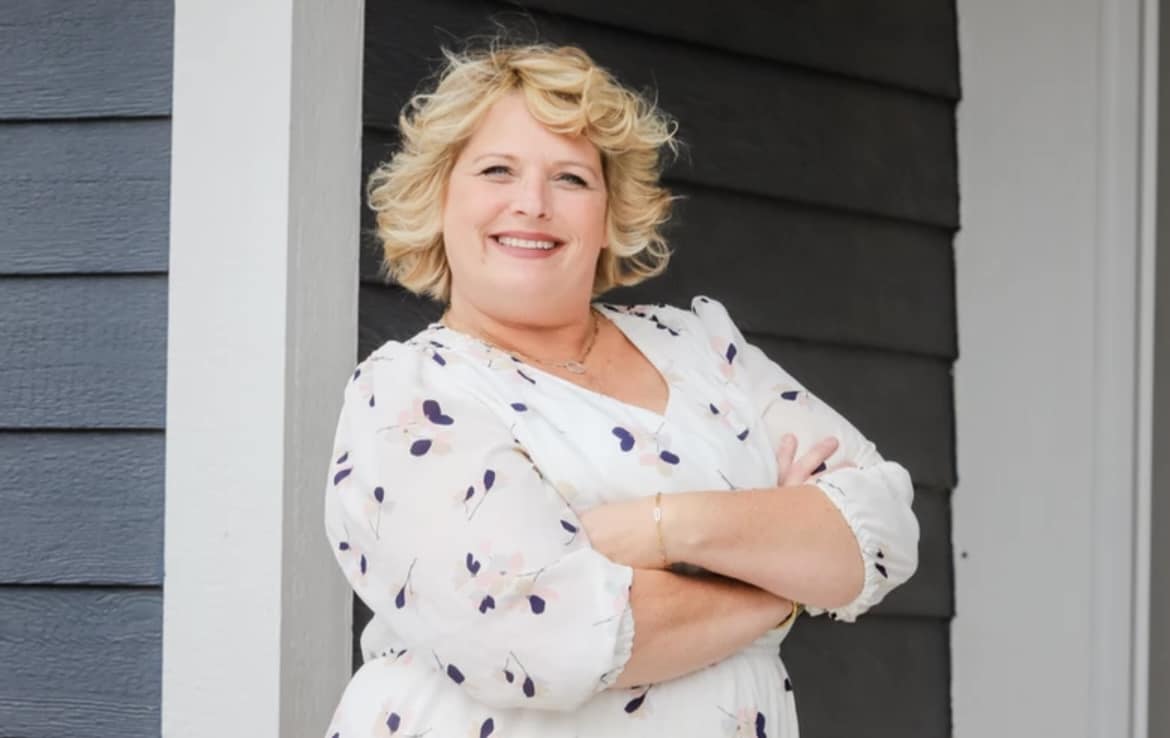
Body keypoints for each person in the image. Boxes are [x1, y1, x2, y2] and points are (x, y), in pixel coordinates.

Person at [322, 40, 919, 738]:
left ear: (608, 215)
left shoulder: (700, 349)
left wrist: (659, 527)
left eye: (571, 179)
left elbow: (879, 533)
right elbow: (540, 641)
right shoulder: (407, 397)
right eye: (496, 170)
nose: (533, 204)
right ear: (440, 198)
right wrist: (782, 579)